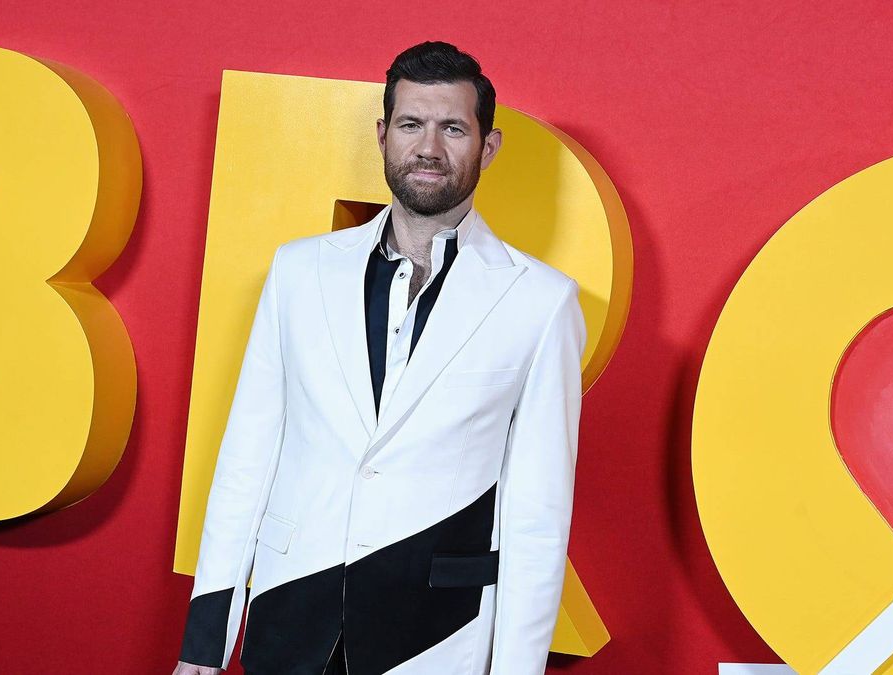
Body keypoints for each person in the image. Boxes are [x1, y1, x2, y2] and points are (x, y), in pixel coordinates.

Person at [173, 41, 585, 675]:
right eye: (411, 124)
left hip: (433, 634)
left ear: (488, 146)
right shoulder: (299, 271)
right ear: (382, 135)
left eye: (453, 127)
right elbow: (246, 456)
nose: (429, 148)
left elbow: (538, 515)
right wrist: (207, 638)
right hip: (292, 611)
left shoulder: (540, 302)